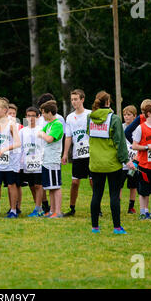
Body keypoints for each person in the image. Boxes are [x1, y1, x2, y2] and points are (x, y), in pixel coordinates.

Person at [87, 91, 133, 234]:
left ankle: (95, 227)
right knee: (114, 195)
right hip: (112, 164)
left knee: (96, 195)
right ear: (108, 103)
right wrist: (126, 160)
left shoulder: (90, 118)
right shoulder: (114, 119)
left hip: (95, 163)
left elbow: (88, 134)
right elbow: (120, 142)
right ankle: (117, 227)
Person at [61, 89, 93, 217]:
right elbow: (68, 137)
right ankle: (72, 208)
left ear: (82, 99)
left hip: (91, 154)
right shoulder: (69, 117)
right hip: (77, 154)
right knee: (75, 182)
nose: (74, 102)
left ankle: (97, 207)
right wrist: (65, 154)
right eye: (72, 99)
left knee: (93, 181)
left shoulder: (90, 114)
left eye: (76, 99)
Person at [0, 98, 21, 219]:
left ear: (5, 110)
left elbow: (18, 143)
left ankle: (13, 210)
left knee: (11, 185)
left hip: (9, 161)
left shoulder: (11, 124)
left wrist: (4, 149)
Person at [36, 93, 66, 214]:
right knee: (50, 187)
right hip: (46, 159)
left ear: (49, 112)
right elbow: (40, 133)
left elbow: (48, 138)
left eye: (43, 113)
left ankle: (57, 211)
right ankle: (52, 210)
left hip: (53, 159)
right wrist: (42, 134)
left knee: (56, 186)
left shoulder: (57, 124)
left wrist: (42, 134)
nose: (42, 115)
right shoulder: (49, 124)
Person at [19, 107, 45, 217]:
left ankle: (38, 208)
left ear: (38, 117)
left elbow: (44, 146)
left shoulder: (41, 129)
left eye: (33, 115)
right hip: (26, 164)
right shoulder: (22, 131)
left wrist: (42, 159)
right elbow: (20, 147)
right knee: (32, 186)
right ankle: (38, 207)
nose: (31, 118)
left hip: (38, 163)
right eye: (28, 116)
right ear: (26, 117)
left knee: (39, 185)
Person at [120, 105, 139, 214]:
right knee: (119, 185)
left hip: (134, 162)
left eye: (129, 115)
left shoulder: (138, 128)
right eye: (125, 115)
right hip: (123, 163)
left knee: (133, 184)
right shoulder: (121, 127)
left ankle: (131, 207)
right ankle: (117, 204)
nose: (126, 117)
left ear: (134, 116)